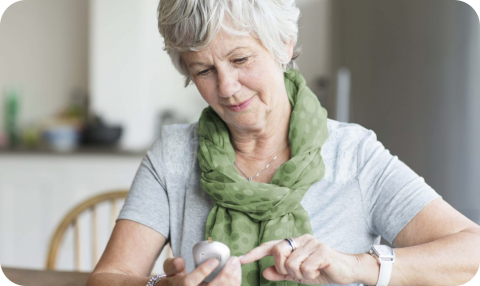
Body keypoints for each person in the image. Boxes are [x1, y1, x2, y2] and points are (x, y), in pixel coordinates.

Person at [87, 1, 480, 286]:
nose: (226, 88)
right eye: (204, 70)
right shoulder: (173, 155)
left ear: (284, 45)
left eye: (240, 60)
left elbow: (471, 251)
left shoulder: (353, 156)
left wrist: (360, 266)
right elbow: (109, 277)